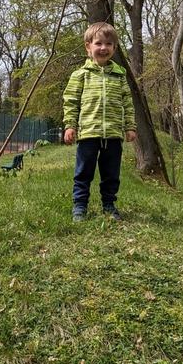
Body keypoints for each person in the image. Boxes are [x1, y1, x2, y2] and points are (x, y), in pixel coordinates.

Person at [61, 22, 137, 222]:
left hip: (113, 134)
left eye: (109, 44)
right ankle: (80, 206)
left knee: (111, 174)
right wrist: (70, 125)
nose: (104, 48)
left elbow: (127, 103)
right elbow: (71, 102)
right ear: (88, 46)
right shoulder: (80, 75)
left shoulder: (119, 76)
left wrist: (130, 126)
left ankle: (109, 205)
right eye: (99, 43)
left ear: (114, 48)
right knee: (83, 172)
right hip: (88, 133)